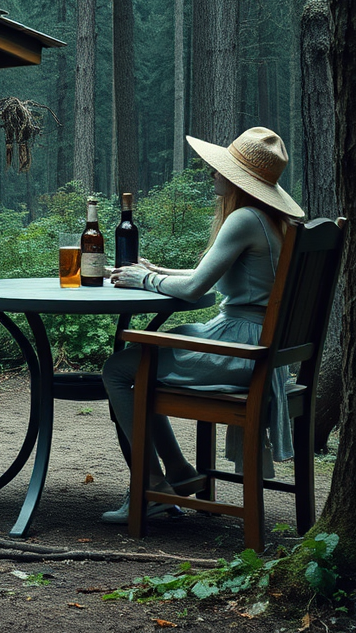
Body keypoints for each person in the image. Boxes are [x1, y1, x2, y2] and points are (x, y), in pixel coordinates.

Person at [99, 126, 304, 524]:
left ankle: (154, 484)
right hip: (264, 346)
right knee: (143, 363)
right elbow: (209, 274)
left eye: (220, 168)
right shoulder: (269, 220)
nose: (213, 173)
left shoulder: (244, 217)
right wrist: (156, 269)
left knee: (118, 368)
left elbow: (194, 289)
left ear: (237, 179)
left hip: (244, 352)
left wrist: (144, 280)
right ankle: (177, 474)